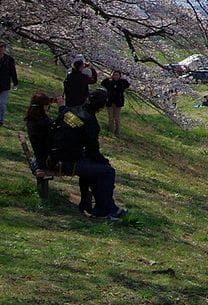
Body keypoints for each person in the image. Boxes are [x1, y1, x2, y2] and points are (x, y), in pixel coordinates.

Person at [48, 89, 125, 220]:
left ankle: (102, 206)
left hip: (54, 154)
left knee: (96, 169)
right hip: (67, 161)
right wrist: (104, 161)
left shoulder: (70, 111)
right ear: (101, 107)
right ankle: (104, 210)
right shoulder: (90, 122)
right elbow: (93, 151)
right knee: (107, 171)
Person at [24, 91, 58, 171]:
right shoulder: (43, 122)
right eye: (47, 105)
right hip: (47, 161)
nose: (48, 107)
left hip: (41, 158)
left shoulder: (32, 119)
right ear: (41, 106)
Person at [100, 69, 130, 136]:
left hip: (118, 102)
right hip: (110, 101)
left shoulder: (122, 82)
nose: (115, 76)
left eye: (117, 75)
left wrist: (122, 79)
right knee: (110, 118)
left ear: (120, 76)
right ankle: (111, 131)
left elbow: (127, 85)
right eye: (114, 75)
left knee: (117, 118)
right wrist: (109, 78)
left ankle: (117, 132)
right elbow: (102, 83)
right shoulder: (109, 81)